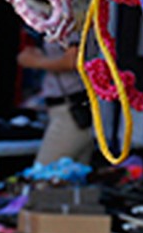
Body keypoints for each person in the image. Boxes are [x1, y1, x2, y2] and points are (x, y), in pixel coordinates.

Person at [17, 36, 95, 167]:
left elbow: (72, 61)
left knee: (43, 175)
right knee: (70, 178)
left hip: (73, 107)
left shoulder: (73, 21)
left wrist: (36, 61)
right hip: (61, 107)